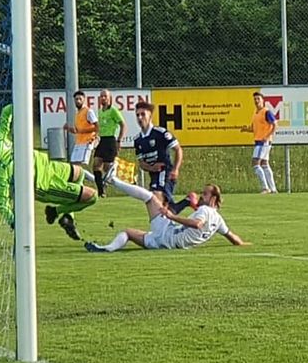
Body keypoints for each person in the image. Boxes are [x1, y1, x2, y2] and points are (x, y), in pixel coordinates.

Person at [0, 104, 98, 240]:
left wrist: (19, 103)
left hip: (47, 164)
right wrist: (14, 223)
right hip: (45, 184)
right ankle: (56, 211)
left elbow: (6, 113)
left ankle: (68, 216)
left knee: (79, 173)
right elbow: (2, 204)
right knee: (92, 196)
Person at [84, 181, 248, 251]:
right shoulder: (219, 220)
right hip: (164, 242)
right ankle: (107, 249)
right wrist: (244, 244)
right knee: (128, 232)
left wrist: (170, 216)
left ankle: (113, 181)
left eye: (204, 194)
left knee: (149, 197)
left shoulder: (206, 211)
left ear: (213, 198)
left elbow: (197, 224)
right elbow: (232, 237)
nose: (200, 196)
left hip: (167, 234)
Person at [132, 101, 193, 213]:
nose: (140, 118)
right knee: (164, 209)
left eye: (143, 114)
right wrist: (151, 168)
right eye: (137, 115)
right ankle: (188, 200)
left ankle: (187, 202)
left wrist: (175, 169)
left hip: (165, 172)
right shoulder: (138, 140)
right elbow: (141, 163)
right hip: (154, 175)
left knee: (156, 201)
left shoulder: (160, 133)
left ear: (150, 115)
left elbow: (178, 149)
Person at [91, 89, 127, 198]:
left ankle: (127, 179)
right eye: (101, 96)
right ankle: (101, 191)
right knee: (96, 164)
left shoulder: (113, 110)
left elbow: (123, 125)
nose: (103, 98)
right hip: (102, 140)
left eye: (105, 96)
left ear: (109, 98)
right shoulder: (100, 111)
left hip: (111, 140)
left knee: (107, 168)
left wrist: (119, 140)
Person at [241, 91, 279, 194]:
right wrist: (246, 129)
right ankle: (273, 189)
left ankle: (265, 188)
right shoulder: (255, 113)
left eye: (258, 99)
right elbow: (254, 128)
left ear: (263, 101)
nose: (256, 101)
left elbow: (275, 124)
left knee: (255, 163)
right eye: (255, 99)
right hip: (259, 141)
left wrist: (267, 136)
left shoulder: (266, 112)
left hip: (263, 142)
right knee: (264, 164)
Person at [63, 90, 98, 166]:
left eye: (80, 99)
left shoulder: (88, 111)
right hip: (79, 142)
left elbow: (97, 126)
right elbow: (77, 131)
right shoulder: (78, 114)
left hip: (87, 141)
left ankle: (88, 177)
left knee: (82, 164)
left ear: (84, 100)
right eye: (76, 99)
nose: (78, 101)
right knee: (73, 164)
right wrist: (68, 128)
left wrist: (94, 137)